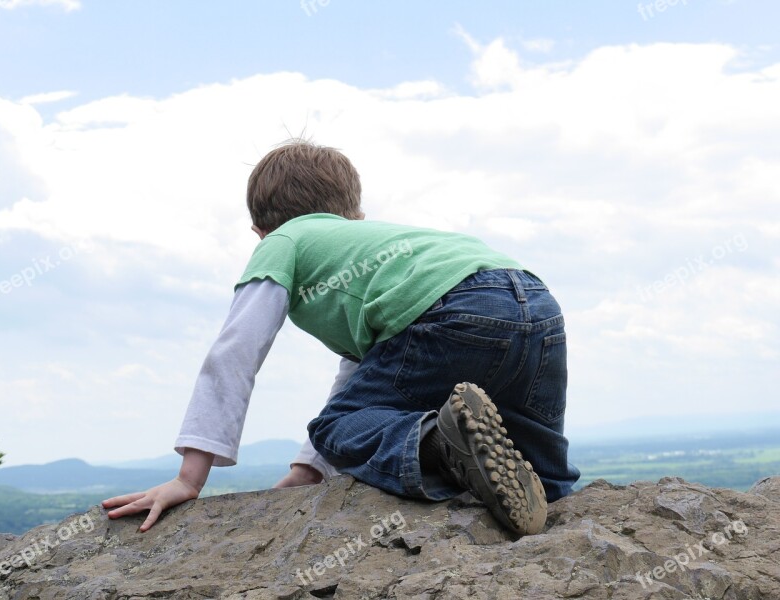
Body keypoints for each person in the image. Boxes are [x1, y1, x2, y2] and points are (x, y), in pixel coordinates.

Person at [102, 141, 580, 536]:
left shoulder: (283, 241)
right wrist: (307, 472)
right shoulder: (380, 243)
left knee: (332, 428)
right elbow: (362, 374)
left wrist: (190, 478)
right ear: (354, 214)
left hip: (448, 310)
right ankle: (545, 496)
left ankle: (441, 442)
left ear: (258, 231)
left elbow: (235, 353)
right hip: (534, 303)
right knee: (545, 475)